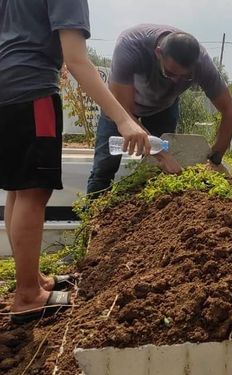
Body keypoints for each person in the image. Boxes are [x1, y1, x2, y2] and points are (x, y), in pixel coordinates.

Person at [0, 0, 150, 324]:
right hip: (32, 89)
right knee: (34, 191)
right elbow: (78, 60)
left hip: (6, 90)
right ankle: (28, 296)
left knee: (18, 188)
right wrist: (124, 120)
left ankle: (33, 279)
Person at [86, 24, 232, 196]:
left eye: (185, 77)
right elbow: (123, 111)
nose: (176, 82)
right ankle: (93, 216)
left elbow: (230, 112)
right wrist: (162, 154)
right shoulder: (131, 46)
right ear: (158, 53)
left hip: (163, 109)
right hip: (121, 108)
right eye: (171, 73)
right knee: (104, 169)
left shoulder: (202, 63)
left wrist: (215, 158)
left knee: (158, 173)